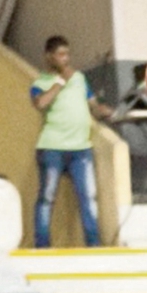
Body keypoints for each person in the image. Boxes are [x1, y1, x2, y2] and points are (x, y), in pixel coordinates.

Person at [30, 35, 113, 248]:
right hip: (51, 149)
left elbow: (92, 104)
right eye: (60, 54)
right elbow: (40, 104)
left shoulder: (79, 79)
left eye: (67, 54)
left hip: (81, 149)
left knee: (88, 198)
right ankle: (42, 247)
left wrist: (102, 110)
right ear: (49, 57)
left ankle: (93, 245)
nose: (66, 59)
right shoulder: (40, 83)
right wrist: (60, 82)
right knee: (47, 199)